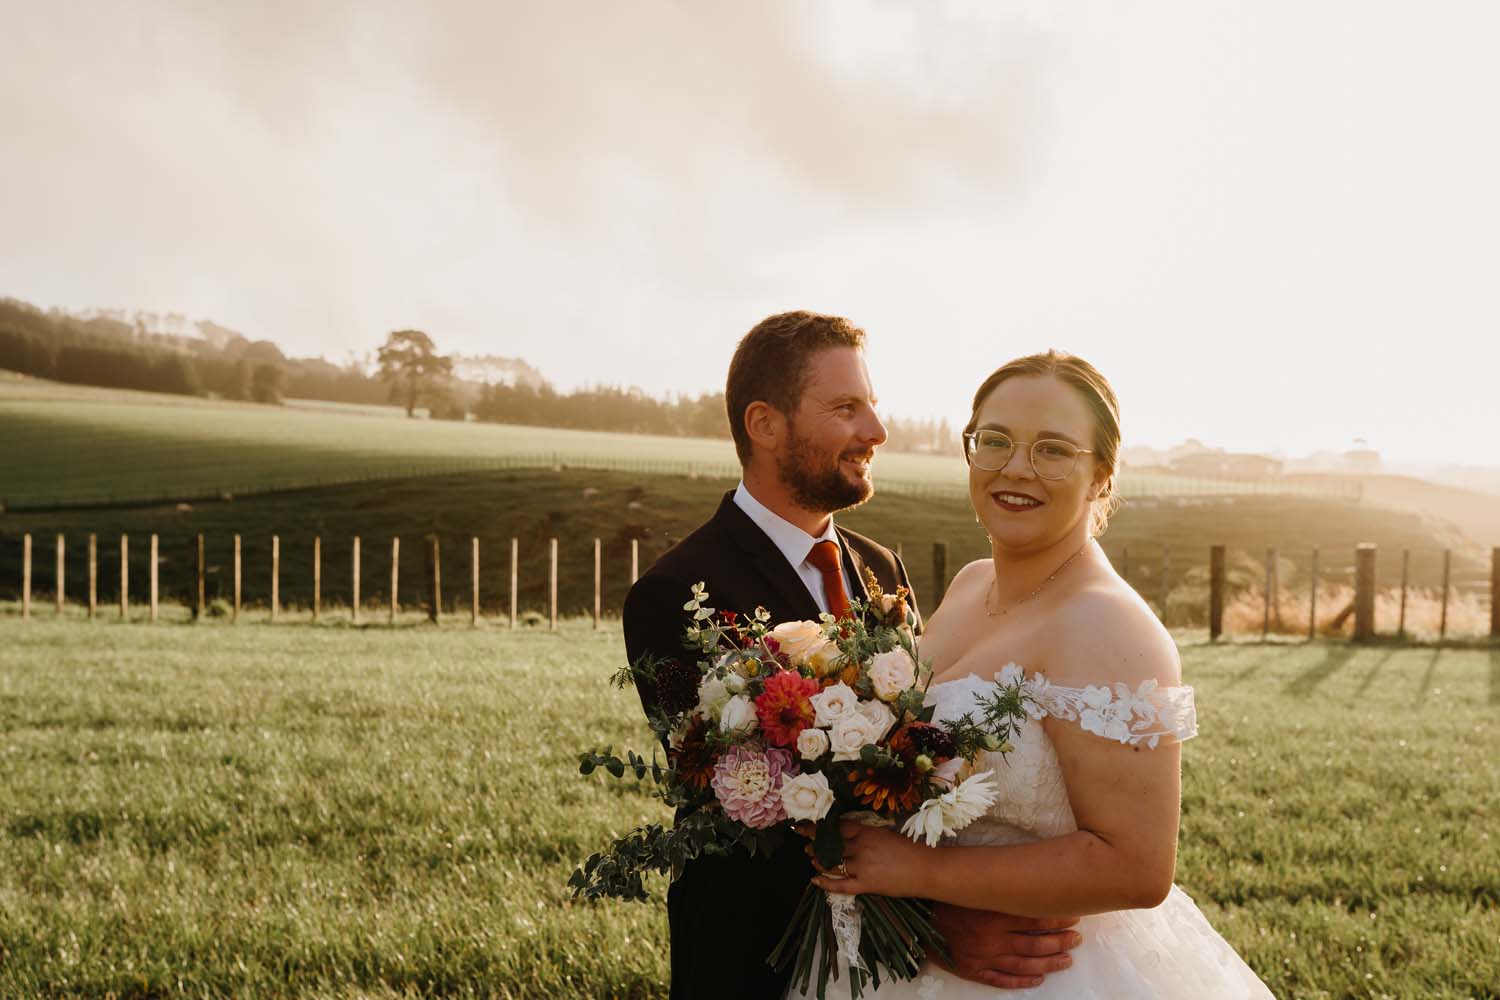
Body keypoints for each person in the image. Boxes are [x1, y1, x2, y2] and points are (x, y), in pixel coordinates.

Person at [623, 314, 1084, 1000]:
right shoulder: (674, 595)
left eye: (872, 404)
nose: (877, 429)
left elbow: (916, 753)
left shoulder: (879, 566)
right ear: (765, 423)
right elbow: (744, 819)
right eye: (846, 408)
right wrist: (934, 925)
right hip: (761, 961)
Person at [790, 350, 1273, 998]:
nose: (1015, 468)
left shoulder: (1112, 630)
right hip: (914, 953)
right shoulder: (970, 584)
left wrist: (916, 873)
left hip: (1037, 975)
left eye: (1053, 450)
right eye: (995, 441)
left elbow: (1137, 868)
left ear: (1101, 475)